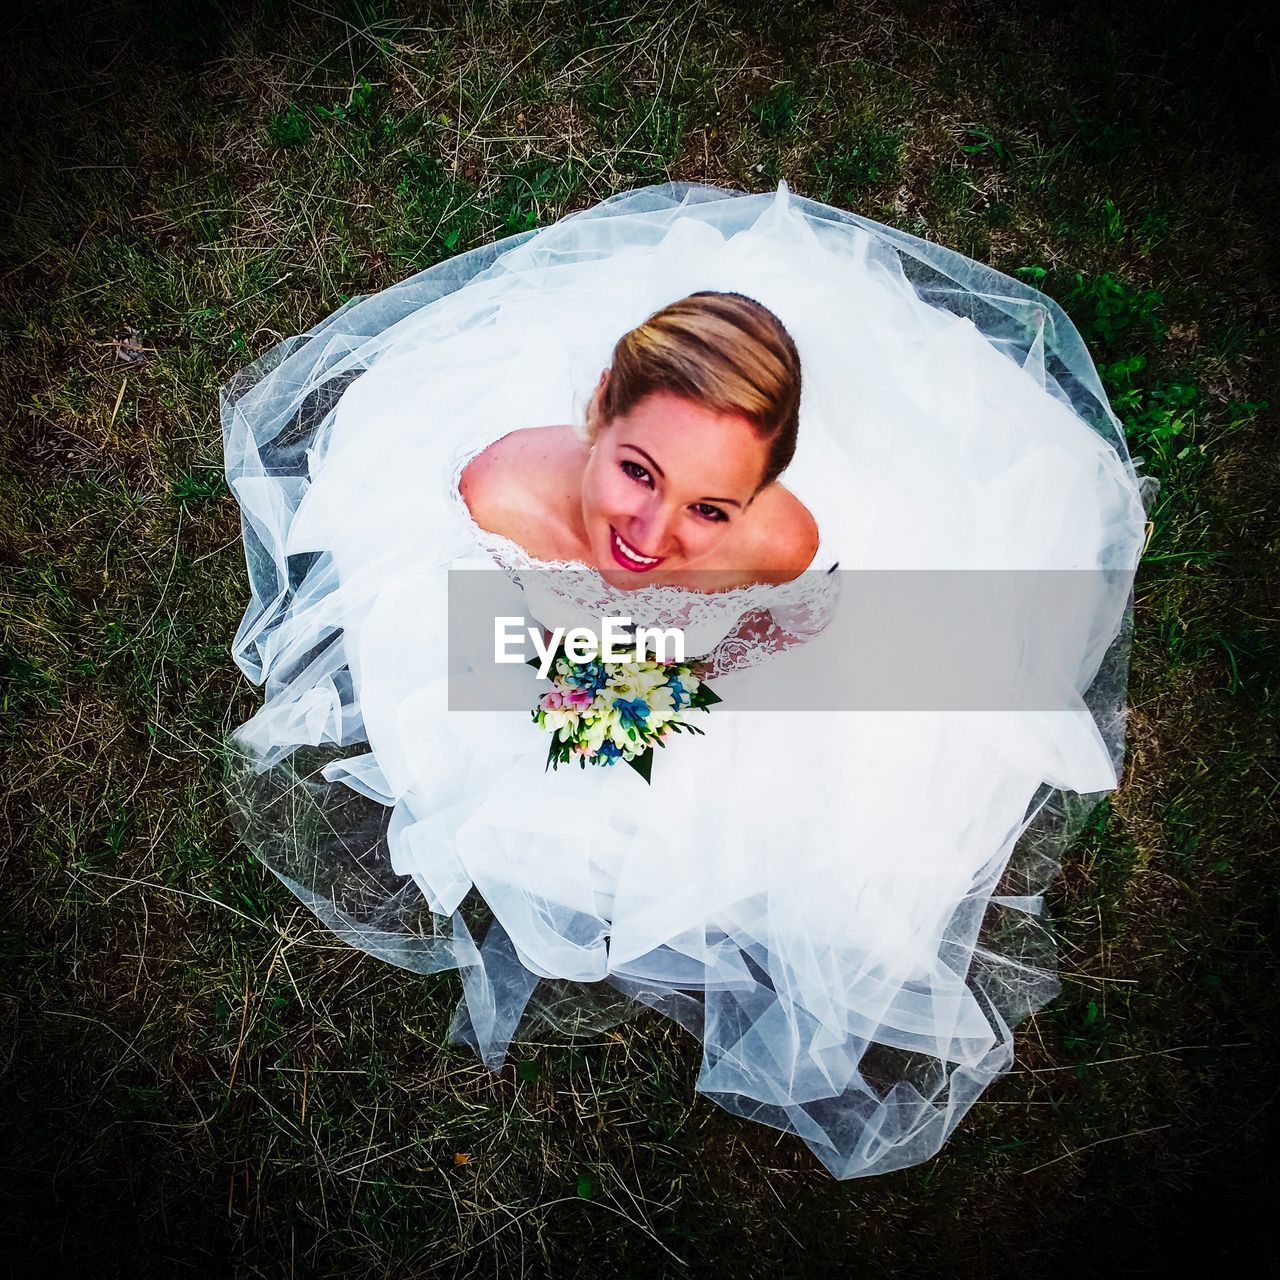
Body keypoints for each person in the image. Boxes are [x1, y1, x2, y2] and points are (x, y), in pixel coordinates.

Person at [221, 181, 1151, 1178]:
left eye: (710, 508)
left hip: (707, 638)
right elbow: (489, 636)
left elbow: (788, 627)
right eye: (636, 470)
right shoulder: (495, 493)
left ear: (752, 500)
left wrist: (695, 663)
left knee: (821, 767)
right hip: (538, 615)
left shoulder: (781, 540)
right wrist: (586, 674)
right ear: (594, 416)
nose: (653, 534)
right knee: (534, 718)